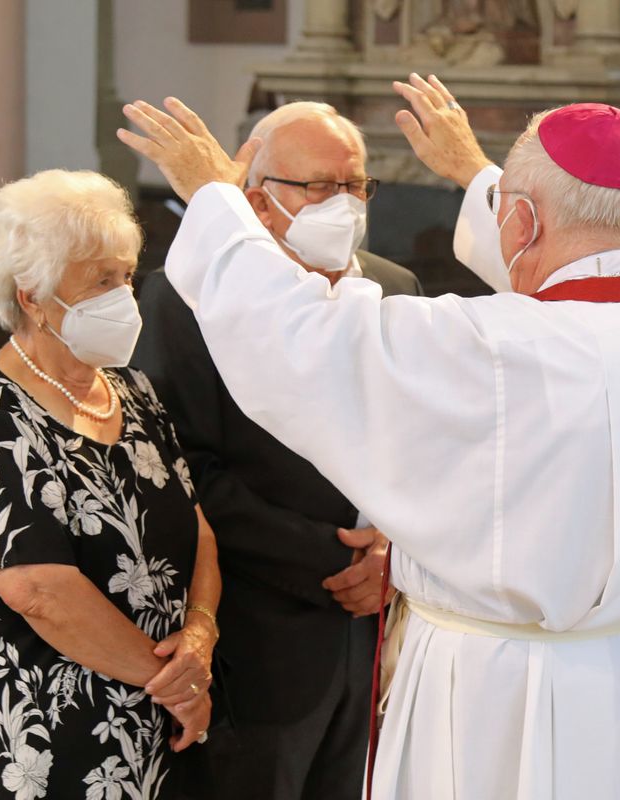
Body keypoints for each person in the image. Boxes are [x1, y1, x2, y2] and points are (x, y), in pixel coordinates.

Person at [117, 73, 620, 800]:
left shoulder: (489, 347)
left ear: (521, 222)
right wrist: (476, 172)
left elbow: (303, 333)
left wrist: (215, 197)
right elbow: (567, 273)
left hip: (497, 688)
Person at [131, 102, 422, 800]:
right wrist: (333, 559)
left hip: (372, 626)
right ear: (258, 201)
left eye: (355, 185)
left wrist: (391, 549)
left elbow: (418, 441)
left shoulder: (396, 287)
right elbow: (183, 470)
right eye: (319, 186)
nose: (344, 203)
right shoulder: (184, 297)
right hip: (257, 626)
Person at [0, 170, 221, 800]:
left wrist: (200, 632)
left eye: (126, 276)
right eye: (101, 281)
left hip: (152, 722)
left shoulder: (133, 392)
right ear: (32, 296)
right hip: (32, 738)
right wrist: (177, 686)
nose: (124, 297)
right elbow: (40, 593)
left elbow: (199, 532)